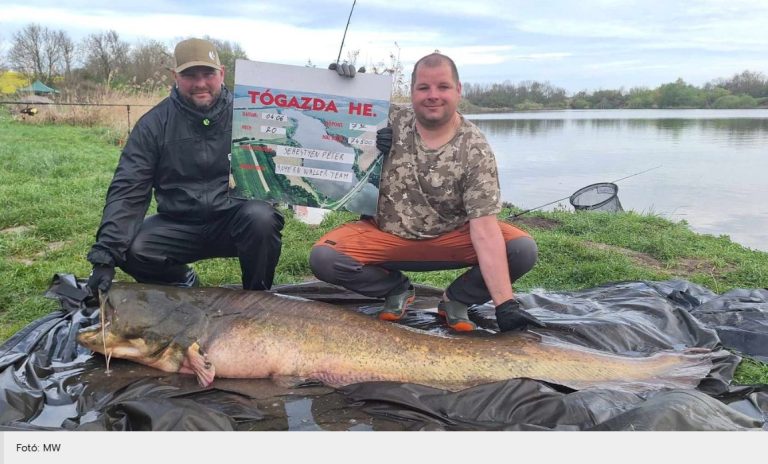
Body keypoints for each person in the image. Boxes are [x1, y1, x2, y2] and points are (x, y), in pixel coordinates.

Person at [311, 52, 543, 332]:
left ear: (458, 90)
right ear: (412, 92)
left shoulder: (475, 147)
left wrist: (505, 304)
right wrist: (337, 84)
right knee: (324, 258)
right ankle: (396, 289)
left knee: (521, 249)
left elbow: (484, 228)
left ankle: (456, 298)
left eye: (442, 87)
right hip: (384, 233)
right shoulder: (387, 118)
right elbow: (333, 115)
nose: (433, 95)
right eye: (424, 87)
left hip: (451, 237)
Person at [86, 38, 284, 296]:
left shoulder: (249, 114)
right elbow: (128, 190)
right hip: (178, 224)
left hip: (235, 220)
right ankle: (181, 281)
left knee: (262, 218)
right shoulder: (153, 125)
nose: (200, 83)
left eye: (208, 74)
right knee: (133, 247)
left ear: (221, 73)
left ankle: (256, 297)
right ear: (175, 76)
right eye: (190, 75)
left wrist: (339, 85)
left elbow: (302, 133)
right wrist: (105, 255)